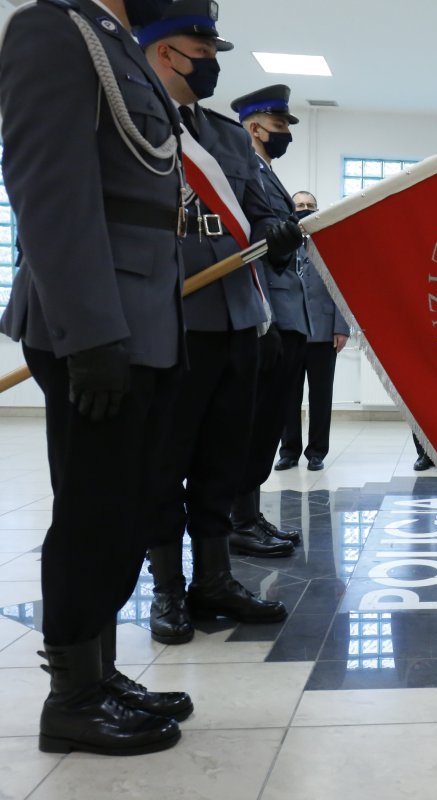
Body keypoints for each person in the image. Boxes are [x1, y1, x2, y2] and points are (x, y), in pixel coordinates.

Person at [0, 0, 192, 754]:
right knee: (94, 510)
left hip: (139, 314)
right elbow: (50, 190)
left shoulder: (109, 40)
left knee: (126, 506)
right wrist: (92, 333)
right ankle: (72, 698)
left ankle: (101, 672)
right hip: (100, 319)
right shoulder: (53, 29)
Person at [139, 0, 303, 645]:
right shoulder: (133, 123)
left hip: (238, 318)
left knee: (221, 459)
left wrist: (275, 234)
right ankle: (167, 590)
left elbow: (261, 212)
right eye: (201, 51)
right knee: (162, 465)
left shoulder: (228, 136)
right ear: (163, 51)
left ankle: (213, 580)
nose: (210, 63)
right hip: (170, 319)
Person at [228, 85, 309, 551]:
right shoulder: (244, 172)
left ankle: (251, 516)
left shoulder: (267, 172)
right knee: (257, 421)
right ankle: (241, 521)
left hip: (288, 313)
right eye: (280, 127)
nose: (285, 136)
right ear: (255, 127)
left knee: (272, 417)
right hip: (267, 312)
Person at [278, 191, 350, 472]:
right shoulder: (281, 243)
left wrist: (341, 328)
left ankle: (317, 451)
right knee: (288, 396)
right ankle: (289, 451)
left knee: (321, 396)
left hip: (323, 333)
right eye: (299, 206)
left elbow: (341, 289)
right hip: (290, 332)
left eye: (309, 206)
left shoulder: (330, 245)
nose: (305, 210)